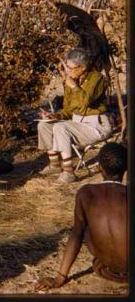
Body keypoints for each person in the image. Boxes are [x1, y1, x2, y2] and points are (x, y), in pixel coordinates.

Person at [35, 143, 127, 290]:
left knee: (83, 229)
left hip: (108, 271)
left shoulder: (86, 193)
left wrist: (59, 278)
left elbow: (76, 235)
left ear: (99, 168)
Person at [38, 48, 112, 183]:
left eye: (71, 68)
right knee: (44, 125)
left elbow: (85, 102)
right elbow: (68, 110)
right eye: (67, 67)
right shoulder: (73, 80)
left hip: (96, 125)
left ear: (82, 67)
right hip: (77, 124)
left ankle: (69, 172)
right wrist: (54, 116)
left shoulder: (97, 79)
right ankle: (55, 164)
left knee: (62, 128)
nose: (68, 71)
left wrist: (73, 87)